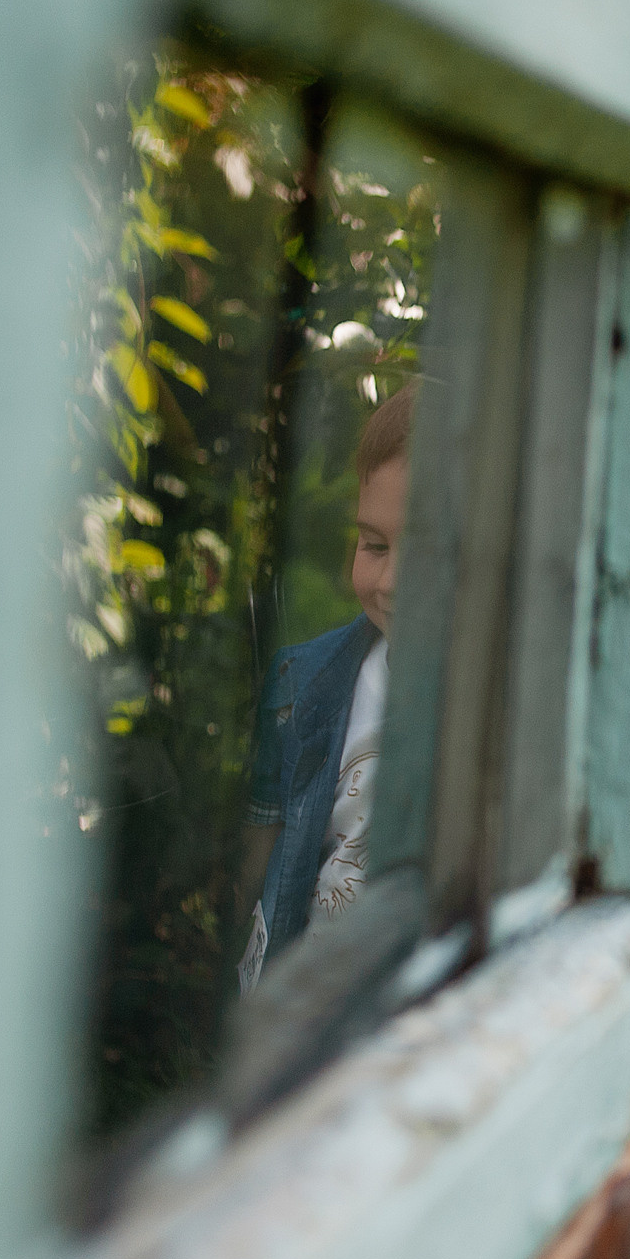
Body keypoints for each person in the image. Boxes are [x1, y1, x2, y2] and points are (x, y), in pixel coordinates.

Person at [235, 382, 412, 994]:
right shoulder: (303, 682)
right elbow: (262, 855)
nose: (391, 581)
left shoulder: (510, 709)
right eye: (375, 546)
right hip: (302, 1008)